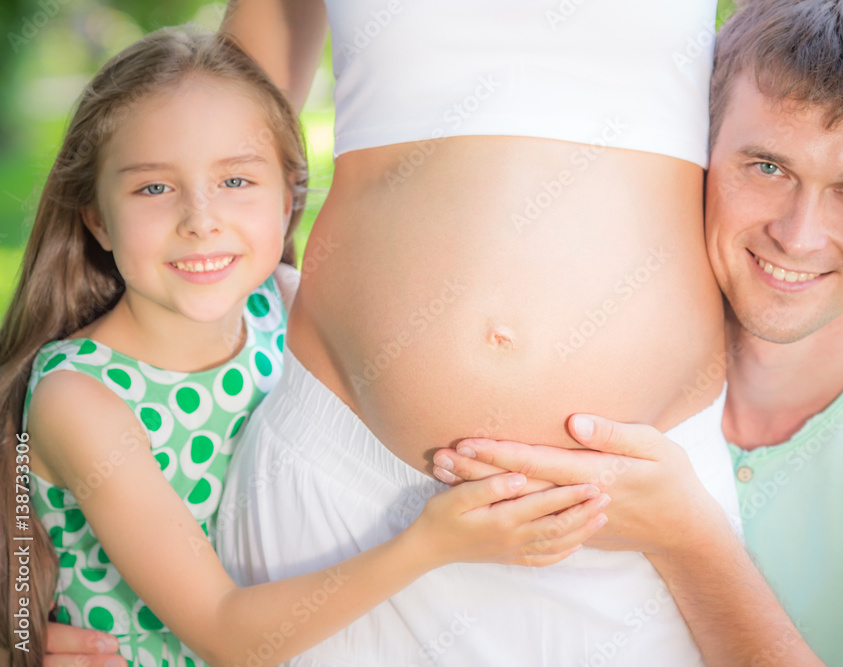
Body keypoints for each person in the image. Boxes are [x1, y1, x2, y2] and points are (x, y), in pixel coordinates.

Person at [0, 27, 609, 667]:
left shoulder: (284, 306)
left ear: (289, 196)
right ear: (96, 216)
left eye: (236, 181)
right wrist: (431, 543)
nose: (200, 218)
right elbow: (224, 631)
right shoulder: (80, 397)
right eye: (154, 188)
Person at [434, 0, 843, 663]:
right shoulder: (576, 339)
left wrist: (689, 541)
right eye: (767, 167)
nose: (798, 235)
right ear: (696, 151)